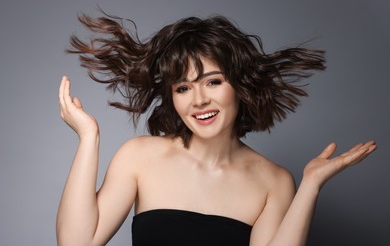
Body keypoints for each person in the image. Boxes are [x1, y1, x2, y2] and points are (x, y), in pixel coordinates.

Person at [56, 13, 376, 246]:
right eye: (183, 88)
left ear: (239, 85)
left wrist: (310, 186)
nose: (199, 100)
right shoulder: (139, 157)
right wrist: (88, 138)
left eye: (213, 82)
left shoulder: (274, 181)